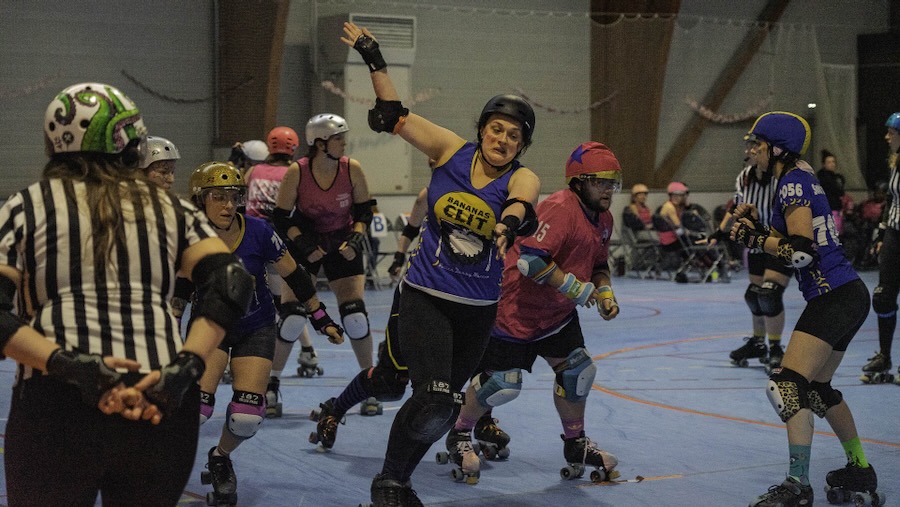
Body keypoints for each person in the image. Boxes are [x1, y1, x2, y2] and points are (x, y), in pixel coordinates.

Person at [0, 82, 256, 505]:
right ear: (131, 145)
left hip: (57, 393)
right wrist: (187, 366)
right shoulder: (171, 209)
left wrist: (71, 365)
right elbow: (232, 283)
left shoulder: (27, 206)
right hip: (160, 391)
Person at [340, 21, 541, 506]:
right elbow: (393, 115)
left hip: (478, 310)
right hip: (427, 297)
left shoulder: (523, 176)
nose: (503, 139)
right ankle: (388, 483)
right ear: (482, 129)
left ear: (521, 146)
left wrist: (507, 224)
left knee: (445, 408)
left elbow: (522, 201)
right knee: (431, 396)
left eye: (514, 136)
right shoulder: (450, 150)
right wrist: (375, 59)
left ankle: (396, 482)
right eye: (497, 129)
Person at [445, 142, 622, 484]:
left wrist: (605, 293)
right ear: (579, 182)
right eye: (600, 182)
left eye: (611, 182)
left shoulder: (604, 219)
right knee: (502, 384)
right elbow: (530, 261)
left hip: (556, 314)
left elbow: (599, 264)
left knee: (578, 373)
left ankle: (576, 443)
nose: (607, 190)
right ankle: (460, 432)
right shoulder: (560, 208)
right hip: (516, 311)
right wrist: (574, 288)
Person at [730, 112, 880, 506]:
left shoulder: (792, 182)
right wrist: (759, 230)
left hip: (834, 295)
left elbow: (799, 252)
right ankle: (859, 468)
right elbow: (793, 239)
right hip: (847, 293)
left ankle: (798, 484)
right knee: (817, 389)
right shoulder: (800, 176)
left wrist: (755, 240)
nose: (752, 151)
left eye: (758, 144)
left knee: (786, 385)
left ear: (778, 149)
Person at [187, 161, 343, 504]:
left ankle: (220, 457)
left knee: (246, 417)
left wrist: (321, 317)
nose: (229, 205)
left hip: (255, 326)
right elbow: (180, 288)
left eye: (234, 197)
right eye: (218, 197)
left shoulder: (258, 230)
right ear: (200, 200)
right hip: (209, 328)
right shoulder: (189, 234)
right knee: (195, 410)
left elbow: (294, 275)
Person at [273, 112, 382, 413]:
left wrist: (356, 239)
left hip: (342, 241)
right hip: (304, 241)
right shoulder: (297, 171)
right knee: (293, 317)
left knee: (355, 315)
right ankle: (270, 384)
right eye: (338, 139)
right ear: (320, 143)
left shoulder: (351, 168)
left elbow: (364, 212)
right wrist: (304, 245)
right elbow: (280, 218)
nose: (344, 144)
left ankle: (369, 383)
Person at [310, 188, 428, 450]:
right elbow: (410, 229)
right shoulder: (431, 193)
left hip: (472, 296)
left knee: (453, 380)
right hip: (421, 290)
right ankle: (334, 410)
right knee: (389, 383)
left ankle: (467, 430)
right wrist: (399, 257)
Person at [244, 126, 324, 417]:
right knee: (288, 308)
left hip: (251, 242)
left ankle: (295, 358)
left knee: (262, 308)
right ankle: (306, 353)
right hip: (279, 245)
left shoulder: (253, 172)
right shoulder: (294, 172)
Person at [711, 139, 792, 371]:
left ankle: (775, 348)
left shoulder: (781, 176)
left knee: (770, 293)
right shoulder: (744, 176)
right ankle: (758, 343)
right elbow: (735, 207)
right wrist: (719, 232)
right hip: (756, 241)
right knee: (755, 294)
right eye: (748, 147)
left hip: (778, 240)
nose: (750, 151)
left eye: (755, 147)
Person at [863, 112, 900, 384]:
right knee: (883, 297)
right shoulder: (896, 161)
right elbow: (890, 199)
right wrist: (882, 234)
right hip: (894, 236)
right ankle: (884, 356)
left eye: (891, 133)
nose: (887, 137)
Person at [817, 149, 846, 235]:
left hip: (836, 210)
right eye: (829, 162)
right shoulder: (823, 179)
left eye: (833, 162)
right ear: (824, 164)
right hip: (827, 210)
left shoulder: (837, 178)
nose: (832, 164)